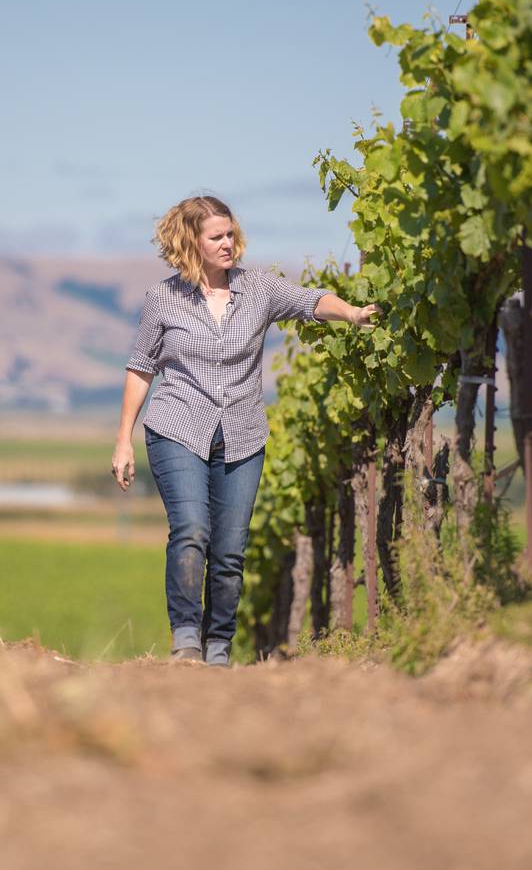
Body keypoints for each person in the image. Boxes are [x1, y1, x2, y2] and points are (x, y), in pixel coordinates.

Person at [111, 195, 377, 666]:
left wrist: (352, 312)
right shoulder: (163, 298)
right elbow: (141, 368)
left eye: (231, 234)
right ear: (191, 242)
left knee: (230, 550)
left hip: (242, 432)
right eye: (216, 237)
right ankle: (187, 639)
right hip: (178, 426)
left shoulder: (258, 289)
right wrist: (123, 440)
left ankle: (218, 647)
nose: (228, 243)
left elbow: (311, 301)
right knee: (191, 530)